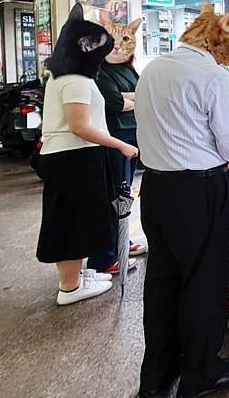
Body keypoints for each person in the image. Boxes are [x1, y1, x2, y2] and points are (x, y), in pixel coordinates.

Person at [135, 2, 229, 398]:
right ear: (221, 45)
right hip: (198, 193)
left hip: (154, 191)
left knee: (163, 284)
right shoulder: (212, 77)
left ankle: (156, 377)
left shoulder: (152, 70)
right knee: (203, 286)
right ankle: (200, 373)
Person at [36, 3, 138, 306]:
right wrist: (118, 144)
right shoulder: (75, 78)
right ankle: (70, 287)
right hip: (72, 158)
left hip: (72, 157)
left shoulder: (67, 73)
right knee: (71, 221)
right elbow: (79, 125)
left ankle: (76, 277)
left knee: (78, 218)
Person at [87, 17, 146, 275]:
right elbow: (113, 104)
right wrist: (132, 98)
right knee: (113, 196)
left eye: (125, 39)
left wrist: (129, 98)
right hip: (114, 139)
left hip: (132, 138)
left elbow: (145, 94)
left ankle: (122, 242)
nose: (119, 46)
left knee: (124, 194)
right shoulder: (100, 69)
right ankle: (106, 255)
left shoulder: (128, 68)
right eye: (113, 39)